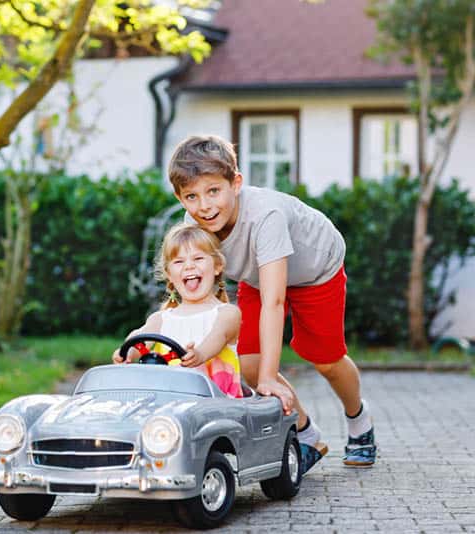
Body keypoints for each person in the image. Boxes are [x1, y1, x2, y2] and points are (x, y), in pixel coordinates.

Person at [167, 134, 376, 469]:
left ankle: (359, 422)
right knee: (248, 364)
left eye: (213, 191)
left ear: (236, 183)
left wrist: (270, 377)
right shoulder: (195, 227)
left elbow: (275, 302)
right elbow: (194, 287)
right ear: (180, 197)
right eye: (192, 196)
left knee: (325, 359)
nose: (204, 205)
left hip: (315, 270)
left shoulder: (266, 215)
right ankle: (307, 435)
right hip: (257, 274)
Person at [112, 222, 243, 398]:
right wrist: (126, 351)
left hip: (217, 406)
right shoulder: (161, 319)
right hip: (166, 404)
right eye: (179, 261)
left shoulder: (227, 313)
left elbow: (217, 337)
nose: (189, 266)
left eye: (198, 258)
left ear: (217, 266)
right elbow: (140, 336)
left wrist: (200, 354)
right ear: (169, 274)